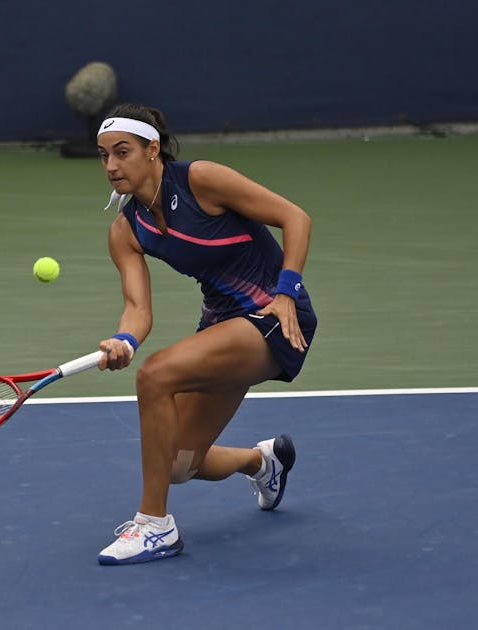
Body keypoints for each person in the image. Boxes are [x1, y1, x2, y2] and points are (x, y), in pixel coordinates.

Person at [92, 103, 317, 565]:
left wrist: (287, 291)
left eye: (122, 151)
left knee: (155, 377)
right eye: (103, 155)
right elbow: (137, 309)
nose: (112, 165)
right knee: (177, 464)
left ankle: (155, 527)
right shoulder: (125, 230)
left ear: (152, 149)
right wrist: (125, 341)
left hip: (272, 316)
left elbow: (296, 218)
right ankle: (263, 462)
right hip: (221, 326)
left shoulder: (201, 180)